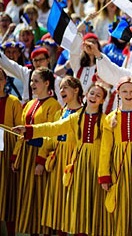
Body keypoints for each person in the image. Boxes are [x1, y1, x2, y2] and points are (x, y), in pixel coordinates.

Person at [14, 82, 112, 235]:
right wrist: (29, 129)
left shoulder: (105, 120)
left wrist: (104, 175)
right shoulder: (75, 118)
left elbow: (106, 149)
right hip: (79, 164)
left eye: (98, 95)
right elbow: (54, 128)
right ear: (86, 95)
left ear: (102, 101)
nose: (94, 97)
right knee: (80, 206)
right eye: (92, 93)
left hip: (96, 165)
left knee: (95, 207)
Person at [98, 76, 132, 235]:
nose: (128, 94)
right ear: (118, 93)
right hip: (118, 166)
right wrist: (104, 175)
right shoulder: (110, 118)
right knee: (120, 204)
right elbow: (105, 149)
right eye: (124, 91)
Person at [10, 68, 62, 235]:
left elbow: (50, 134)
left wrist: (41, 160)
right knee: (27, 199)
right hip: (26, 155)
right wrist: (16, 156)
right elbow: (20, 133)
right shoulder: (30, 104)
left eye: (36, 81)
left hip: (40, 155)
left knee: (40, 198)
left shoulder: (54, 105)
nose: (32, 84)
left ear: (47, 83)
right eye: (31, 81)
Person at [38, 76, 83, 234]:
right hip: (57, 162)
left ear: (76, 90)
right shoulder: (60, 112)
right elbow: (50, 138)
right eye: (61, 88)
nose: (61, 91)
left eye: (65, 87)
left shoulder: (83, 113)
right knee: (56, 206)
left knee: (73, 206)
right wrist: (41, 160)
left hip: (73, 162)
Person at [0, 69, 22, 236]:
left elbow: (19, 132)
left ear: (5, 80)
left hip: (7, 150)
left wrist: (15, 155)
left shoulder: (14, 102)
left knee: (8, 195)